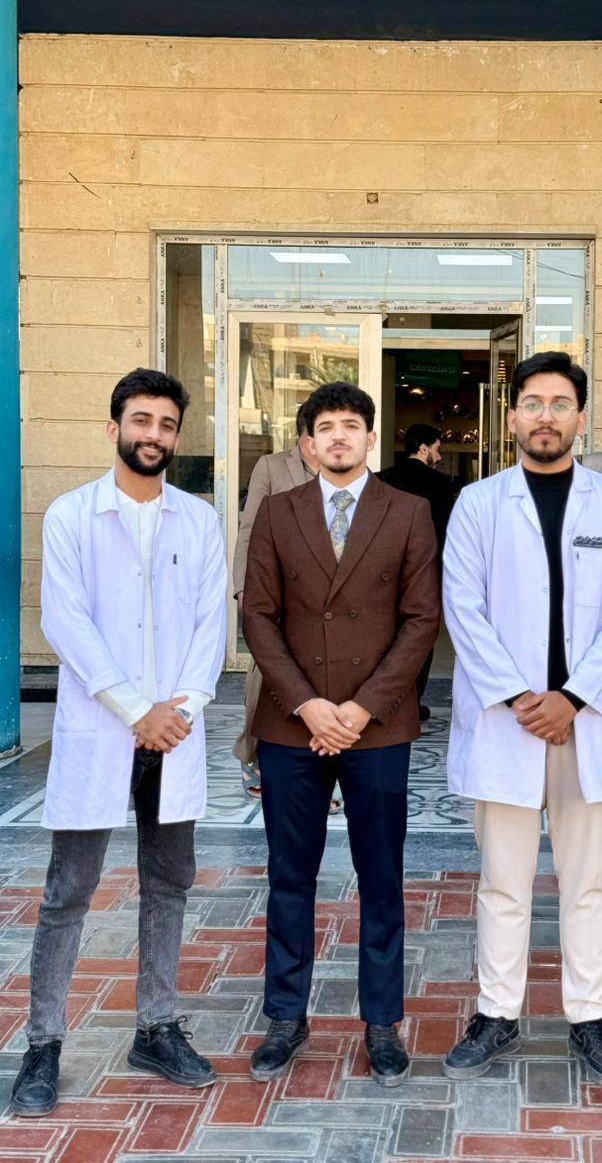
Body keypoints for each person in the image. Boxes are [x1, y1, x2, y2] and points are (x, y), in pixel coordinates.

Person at [10, 368, 227, 1118]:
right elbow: (65, 622)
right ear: (114, 428)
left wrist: (182, 707)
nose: (153, 435)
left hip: (175, 731)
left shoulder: (198, 520)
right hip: (104, 727)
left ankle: (156, 1028)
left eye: (166, 424)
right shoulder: (73, 515)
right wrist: (137, 710)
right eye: (141, 420)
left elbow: (211, 624)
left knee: (169, 884)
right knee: (67, 891)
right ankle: (43, 1043)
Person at [442, 351, 602, 1087]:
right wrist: (519, 697)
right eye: (532, 403)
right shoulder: (478, 504)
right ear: (512, 417)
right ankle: (496, 1012)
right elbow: (462, 608)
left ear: (580, 418)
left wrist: (573, 697)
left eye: (561, 404)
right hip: (508, 722)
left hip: (584, 724)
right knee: (503, 880)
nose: (546, 417)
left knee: (587, 881)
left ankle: (590, 1015)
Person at [242, 381, 440, 1088]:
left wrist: (360, 708)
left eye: (351, 425)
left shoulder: (408, 512)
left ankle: (382, 1022)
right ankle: (285, 1017)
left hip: (376, 727)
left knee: (381, 877)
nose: (338, 436)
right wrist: (307, 705)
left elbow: (422, 619)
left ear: (369, 438)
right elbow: (257, 616)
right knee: (289, 875)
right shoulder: (277, 512)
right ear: (306, 443)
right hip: (292, 724)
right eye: (324, 426)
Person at [232, 400, 328, 801]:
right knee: (265, 674)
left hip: (325, 597)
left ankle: (320, 775)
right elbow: (249, 528)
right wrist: (243, 587)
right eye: (311, 438)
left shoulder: (345, 468)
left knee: (321, 681)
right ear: (301, 436)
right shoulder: (271, 467)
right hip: (275, 588)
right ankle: (252, 754)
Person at [378, 423, 455, 719]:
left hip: (383, 571)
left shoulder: (381, 479)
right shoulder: (440, 484)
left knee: (385, 634)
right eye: (437, 448)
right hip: (424, 571)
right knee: (420, 634)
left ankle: (386, 698)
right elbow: (445, 532)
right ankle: (412, 700)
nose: (440, 455)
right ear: (423, 448)